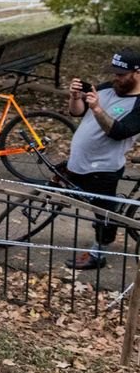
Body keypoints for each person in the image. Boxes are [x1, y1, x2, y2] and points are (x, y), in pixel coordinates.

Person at [61, 49, 140, 270]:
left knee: (104, 213)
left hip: (103, 167)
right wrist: (75, 98)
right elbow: (76, 112)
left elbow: (119, 131)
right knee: (70, 195)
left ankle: (99, 253)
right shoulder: (107, 87)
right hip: (78, 161)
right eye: (114, 73)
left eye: (122, 74)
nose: (116, 78)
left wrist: (96, 108)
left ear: (137, 73)